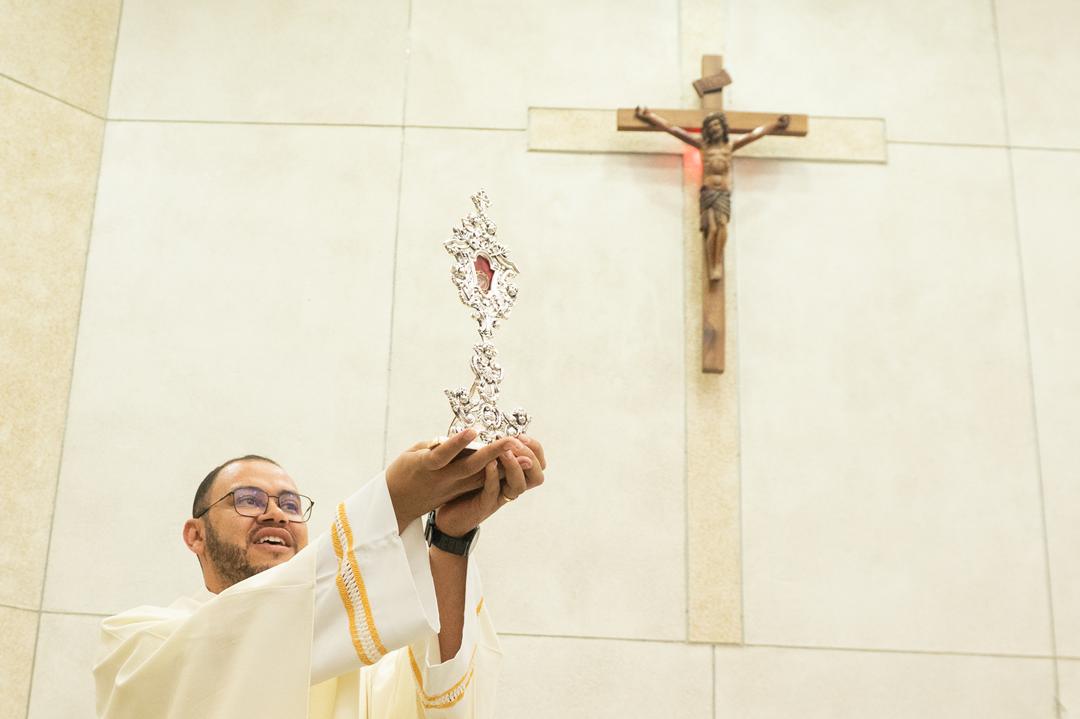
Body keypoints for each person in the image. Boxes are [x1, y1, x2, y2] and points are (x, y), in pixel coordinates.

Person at [93, 429, 546, 718]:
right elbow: (243, 644)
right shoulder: (137, 644)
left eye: (291, 505)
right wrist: (394, 503)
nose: (276, 513)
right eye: (248, 499)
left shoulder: (352, 669)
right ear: (195, 535)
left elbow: (437, 699)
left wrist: (449, 538)